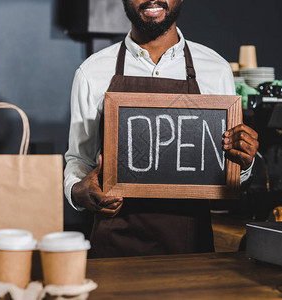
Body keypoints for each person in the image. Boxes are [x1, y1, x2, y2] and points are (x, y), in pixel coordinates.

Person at [64, 0, 259, 258]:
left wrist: (243, 163)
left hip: (191, 250)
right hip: (115, 247)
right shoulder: (92, 72)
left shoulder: (216, 70)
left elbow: (225, 172)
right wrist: (78, 191)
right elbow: (79, 159)